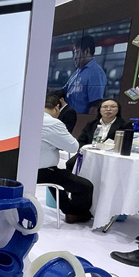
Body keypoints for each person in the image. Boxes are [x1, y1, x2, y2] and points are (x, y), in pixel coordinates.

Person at [37, 93, 94, 224]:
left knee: (59, 175)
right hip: (44, 172)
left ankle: (68, 210)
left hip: (22, 169)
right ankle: (75, 214)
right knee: (85, 186)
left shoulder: (27, 119)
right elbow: (73, 147)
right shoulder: (53, 123)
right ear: (57, 107)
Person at [66, 99, 131, 171]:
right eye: (105, 107)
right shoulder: (91, 124)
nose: (108, 109)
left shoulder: (125, 125)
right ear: (99, 109)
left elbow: (125, 145)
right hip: (90, 153)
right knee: (70, 163)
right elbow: (81, 140)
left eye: (113, 107)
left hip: (110, 155)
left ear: (118, 109)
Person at [63, 35, 106, 114]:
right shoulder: (77, 72)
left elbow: (95, 106)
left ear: (86, 51)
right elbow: (64, 91)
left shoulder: (95, 73)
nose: (74, 57)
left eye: (77, 53)